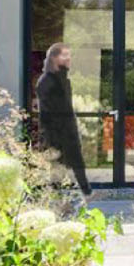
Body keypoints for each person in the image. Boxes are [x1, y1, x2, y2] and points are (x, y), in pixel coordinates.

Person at [34, 42, 92, 195]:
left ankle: (86, 191)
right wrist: (54, 135)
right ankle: (53, 195)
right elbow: (46, 112)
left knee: (77, 163)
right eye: (64, 55)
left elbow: (67, 108)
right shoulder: (46, 81)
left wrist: (72, 129)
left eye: (69, 55)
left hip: (68, 131)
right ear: (54, 58)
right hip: (56, 133)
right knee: (56, 167)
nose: (68, 58)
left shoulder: (64, 80)